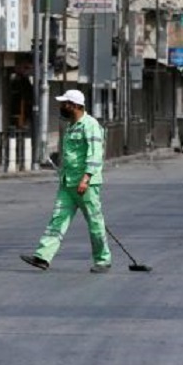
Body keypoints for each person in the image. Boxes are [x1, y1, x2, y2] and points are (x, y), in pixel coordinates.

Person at [20, 89, 112, 273]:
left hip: (86, 184)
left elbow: (95, 155)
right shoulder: (70, 126)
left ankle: (103, 260)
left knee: (95, 223)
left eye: (65, 104)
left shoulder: (90, 125)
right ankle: (43, 257)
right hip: (67, 183)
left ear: (76, 106)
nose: (62, 107)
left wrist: (86, 178)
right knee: (57, 219)